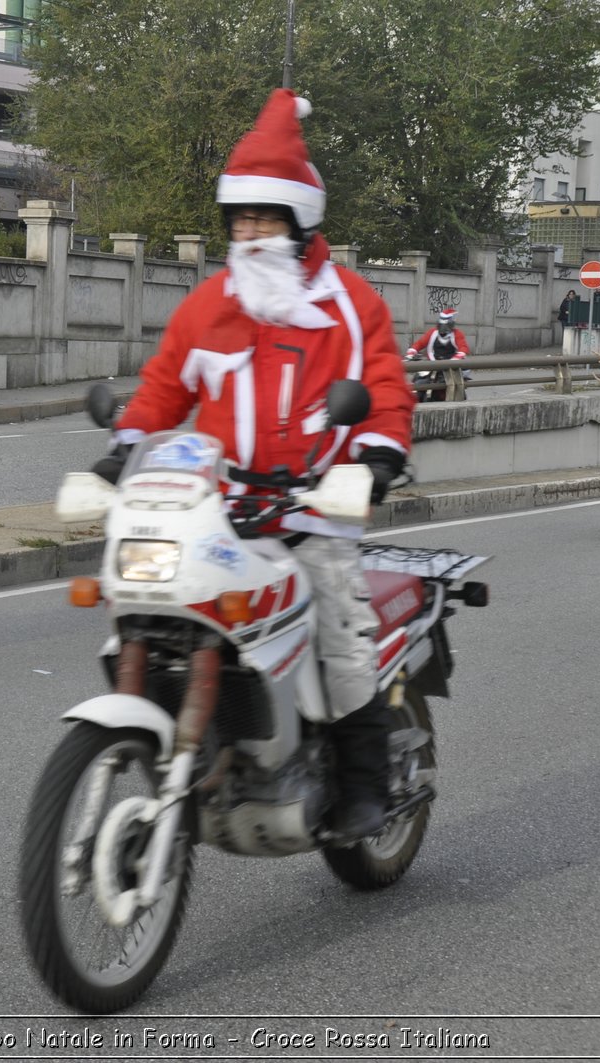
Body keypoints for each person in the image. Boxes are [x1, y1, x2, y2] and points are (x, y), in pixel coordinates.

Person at [94, 89, 415, 839]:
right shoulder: (210, 304)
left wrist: (374, 458)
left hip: (312, 509)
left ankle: (364, 786)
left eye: (268, 218)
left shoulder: (351, 305)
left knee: (340, 630)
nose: (253, 232)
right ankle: (177, 745)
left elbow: (388, 388)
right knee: (146, 605)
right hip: (217, 507)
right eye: (241, 219)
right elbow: (165, 387)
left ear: (302, 224)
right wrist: (123, 446)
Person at [405, 309, 470, 402]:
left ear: (451, 325)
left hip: (449, 367)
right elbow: (420, 343)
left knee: (453, 387)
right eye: (441, 325)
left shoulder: (457, 334)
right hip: (432, 364)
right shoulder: (432, 333)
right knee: (419, 382)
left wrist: (455, 359)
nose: (443, 329)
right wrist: (411, 352)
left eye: (446, 325)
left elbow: (463, 348)